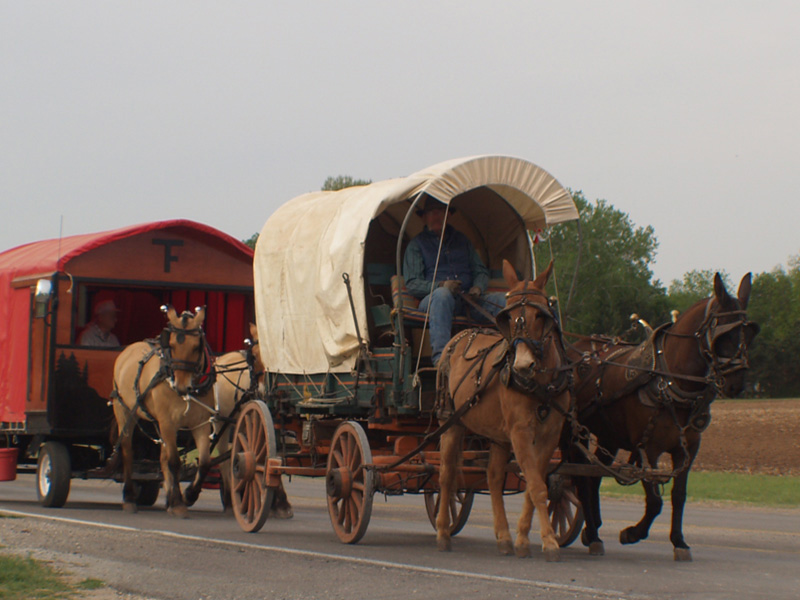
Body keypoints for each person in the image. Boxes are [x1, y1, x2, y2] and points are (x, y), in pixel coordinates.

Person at [402, 195, 506, 365]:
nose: (437, 216)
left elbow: (480, 271)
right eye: (432, 213)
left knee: (507, 301)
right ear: (424, 217)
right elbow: (413, 284)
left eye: (441, 212)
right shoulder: (416, 245)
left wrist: (478, 288)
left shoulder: (462, 240)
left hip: (468, 301)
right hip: (434, 302)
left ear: (448, 215)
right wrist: (441, 285)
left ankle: (514, 354)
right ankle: (442, 361)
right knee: (443, 295)